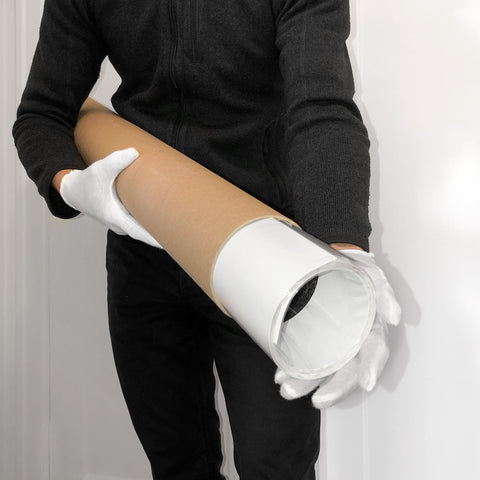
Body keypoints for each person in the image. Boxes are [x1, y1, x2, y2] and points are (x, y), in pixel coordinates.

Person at [13, 1, 400, 479]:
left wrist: (345, 249)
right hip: (146, 249)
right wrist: (69, 181)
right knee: (177, 464)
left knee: (277, 467)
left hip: (267, 258)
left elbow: (320, 107)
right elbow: (42, 111)